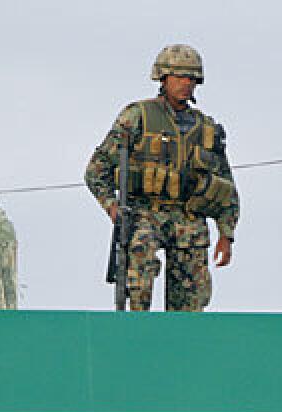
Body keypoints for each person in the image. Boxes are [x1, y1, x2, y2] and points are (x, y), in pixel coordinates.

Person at [85, 44, 239, 311]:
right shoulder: (137, 116)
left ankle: (183, 342)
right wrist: (113, 208)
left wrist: (226, 234)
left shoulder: (207, 128)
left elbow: (225, 186)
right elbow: (96, 170)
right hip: (145, 212)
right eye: (179, 77)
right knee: (140, 263)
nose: (185, 84)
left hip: (189, 217)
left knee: (191, 300)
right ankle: (136, 329)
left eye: (191, 79)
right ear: (163, 78)